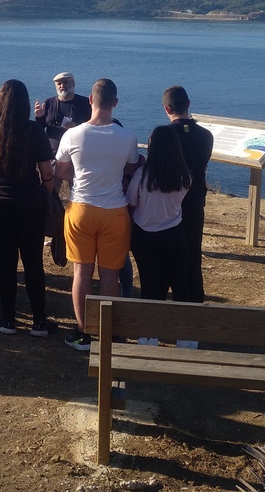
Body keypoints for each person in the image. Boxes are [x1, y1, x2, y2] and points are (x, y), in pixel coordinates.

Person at [0, 79, 56, 336]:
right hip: (29, 202)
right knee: (32, 262)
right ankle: (39, 322)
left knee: (5, 261)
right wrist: (46, 192)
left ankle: (8, 320)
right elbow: (46, 171)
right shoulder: (33, 130)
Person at [55, 78, 140, 351]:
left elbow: (62, 172)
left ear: (90, 100)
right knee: (109, 276)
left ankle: (83, 332)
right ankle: (108, 333)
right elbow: (130, 169)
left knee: (81, 272)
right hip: (114, 211)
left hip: (80, 209)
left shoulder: (72, 135)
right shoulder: (127, 137)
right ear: (115, 103)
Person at [126, 126, 191, 300]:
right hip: (174, 234)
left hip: (144, 237)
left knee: (150, 286)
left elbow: (131, 202)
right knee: (179, 284)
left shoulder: (141, 175)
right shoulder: (185, 177)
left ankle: (152, 323)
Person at [162, 86, 214, 302]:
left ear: (167, 108)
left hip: (167, 202)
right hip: (194, 199)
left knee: (167, 254)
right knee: (193, 253)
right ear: (188, 104)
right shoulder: (206, 136)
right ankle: (194, 301)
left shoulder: (164, 135)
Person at [35, 72, 91, 150]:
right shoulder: (49, 102)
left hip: (77, 146)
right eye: (59, 84)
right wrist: (39, 117)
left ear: (73, 84)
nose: (62, 86)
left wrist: (77, 126)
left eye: (65, 82)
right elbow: (40, 128)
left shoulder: (84, 102)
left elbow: (92, 125)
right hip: (53, 149)